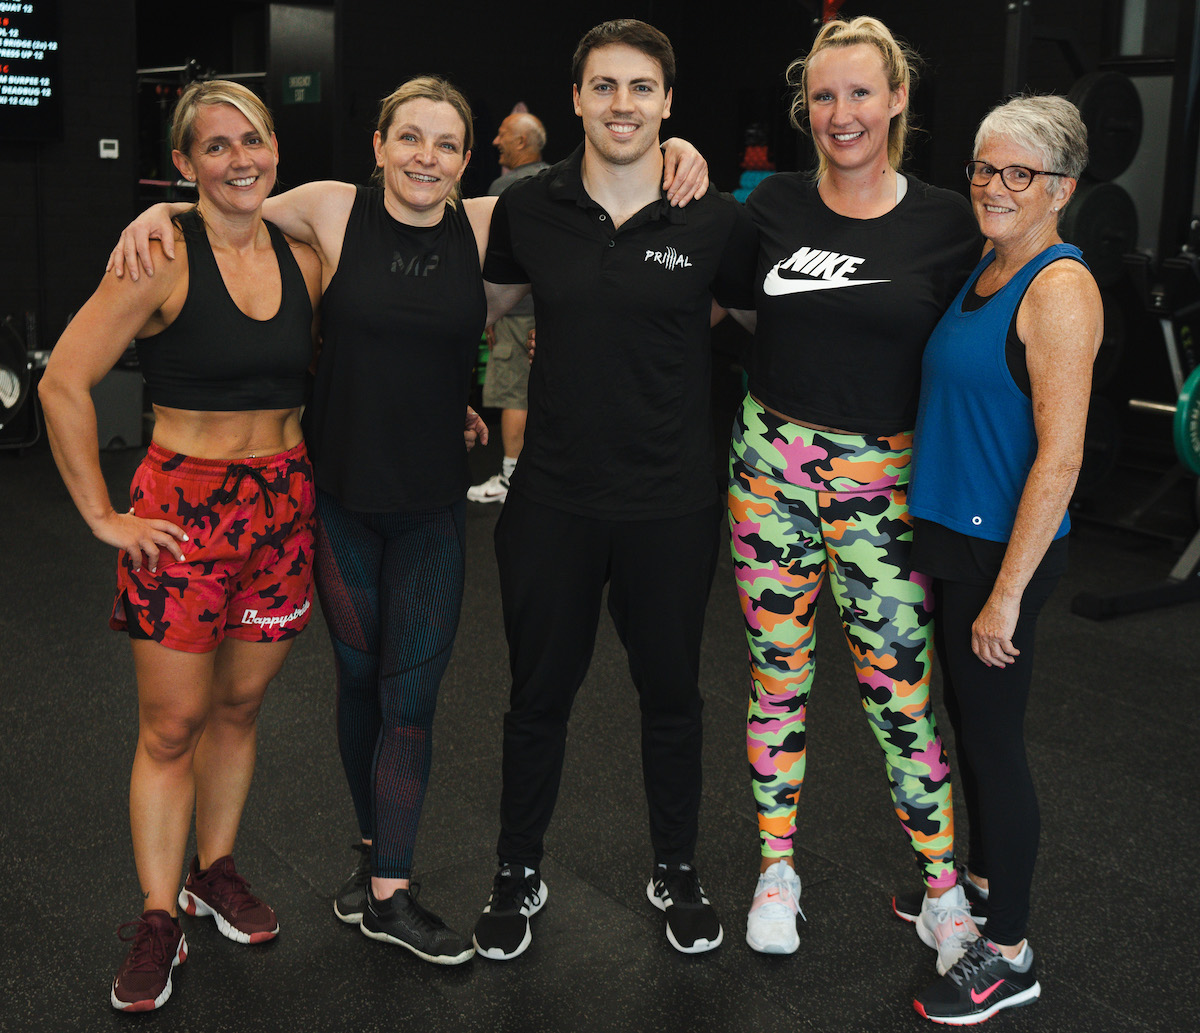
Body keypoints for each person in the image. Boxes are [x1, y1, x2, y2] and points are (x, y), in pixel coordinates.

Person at [110, 79, 711, 967]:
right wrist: (156, 214)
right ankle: (369, 857)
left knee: (411, 698)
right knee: (359, 684)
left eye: (446, 143)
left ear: (466, 159)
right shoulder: (331, 208)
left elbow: (593, 178)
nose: (426, 157)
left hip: (431, 505)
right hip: (340, 501)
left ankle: (391, 889)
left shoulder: (488, 221)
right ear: (379, 145)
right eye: (409, 138)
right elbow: (230, 199)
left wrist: (673, 151)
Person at [471, 19, 759, 961]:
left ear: (668, 101)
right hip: (553, 498)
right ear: (577, 99)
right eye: (604, 86)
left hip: (670, 502)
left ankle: (676, 866)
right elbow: (477, 301)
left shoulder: (713, 217)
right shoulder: (530, 208)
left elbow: (761, 317)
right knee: (536, 698)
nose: (622, 104)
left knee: (673, 695)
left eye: (641, 87)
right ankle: (517, 867)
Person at [39, 80, 323, 1011]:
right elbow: (63, 381)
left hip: (283, 506)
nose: (240, 158)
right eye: (216, 145)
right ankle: (159, 914)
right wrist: (100, 514)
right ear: (184, 162)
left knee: (239, 705)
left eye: (253, 140)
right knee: (171, 725)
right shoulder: (159, 255)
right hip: (185, 511)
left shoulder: (306, 255)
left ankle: (215, 869)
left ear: (276, 147)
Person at [724, 16, 982, 965]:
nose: (842, 113)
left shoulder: (948, 222)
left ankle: (943, 890)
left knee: (900, 695)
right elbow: (724, 304)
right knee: (777, 679)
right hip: (769, 469)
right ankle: (776, 868)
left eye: (861, 92)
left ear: (897, 98)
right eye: (824, 96)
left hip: (886, 482)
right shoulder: (772, 206)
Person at [908, 95, 1101, 1025]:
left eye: (1018, 172)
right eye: (985, 167)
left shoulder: (1058, 288)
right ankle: (981, 886)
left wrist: (1008, 594)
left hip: (1003, 552)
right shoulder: (990, 264)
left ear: (1060, 188)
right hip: (957, 535)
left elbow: (1061, 456)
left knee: (993, 741)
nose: (993, 185)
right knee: (967, 724)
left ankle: (1012, 950)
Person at [467, 110, 550, 505]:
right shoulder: (558, 182)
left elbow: (491, 257)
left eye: (502, 135)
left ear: (521, 142)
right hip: (551, 311)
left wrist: (489, 311)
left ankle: (510, 479)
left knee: (516, 394)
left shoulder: (505, 186)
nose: (495, 142)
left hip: (514, 313)